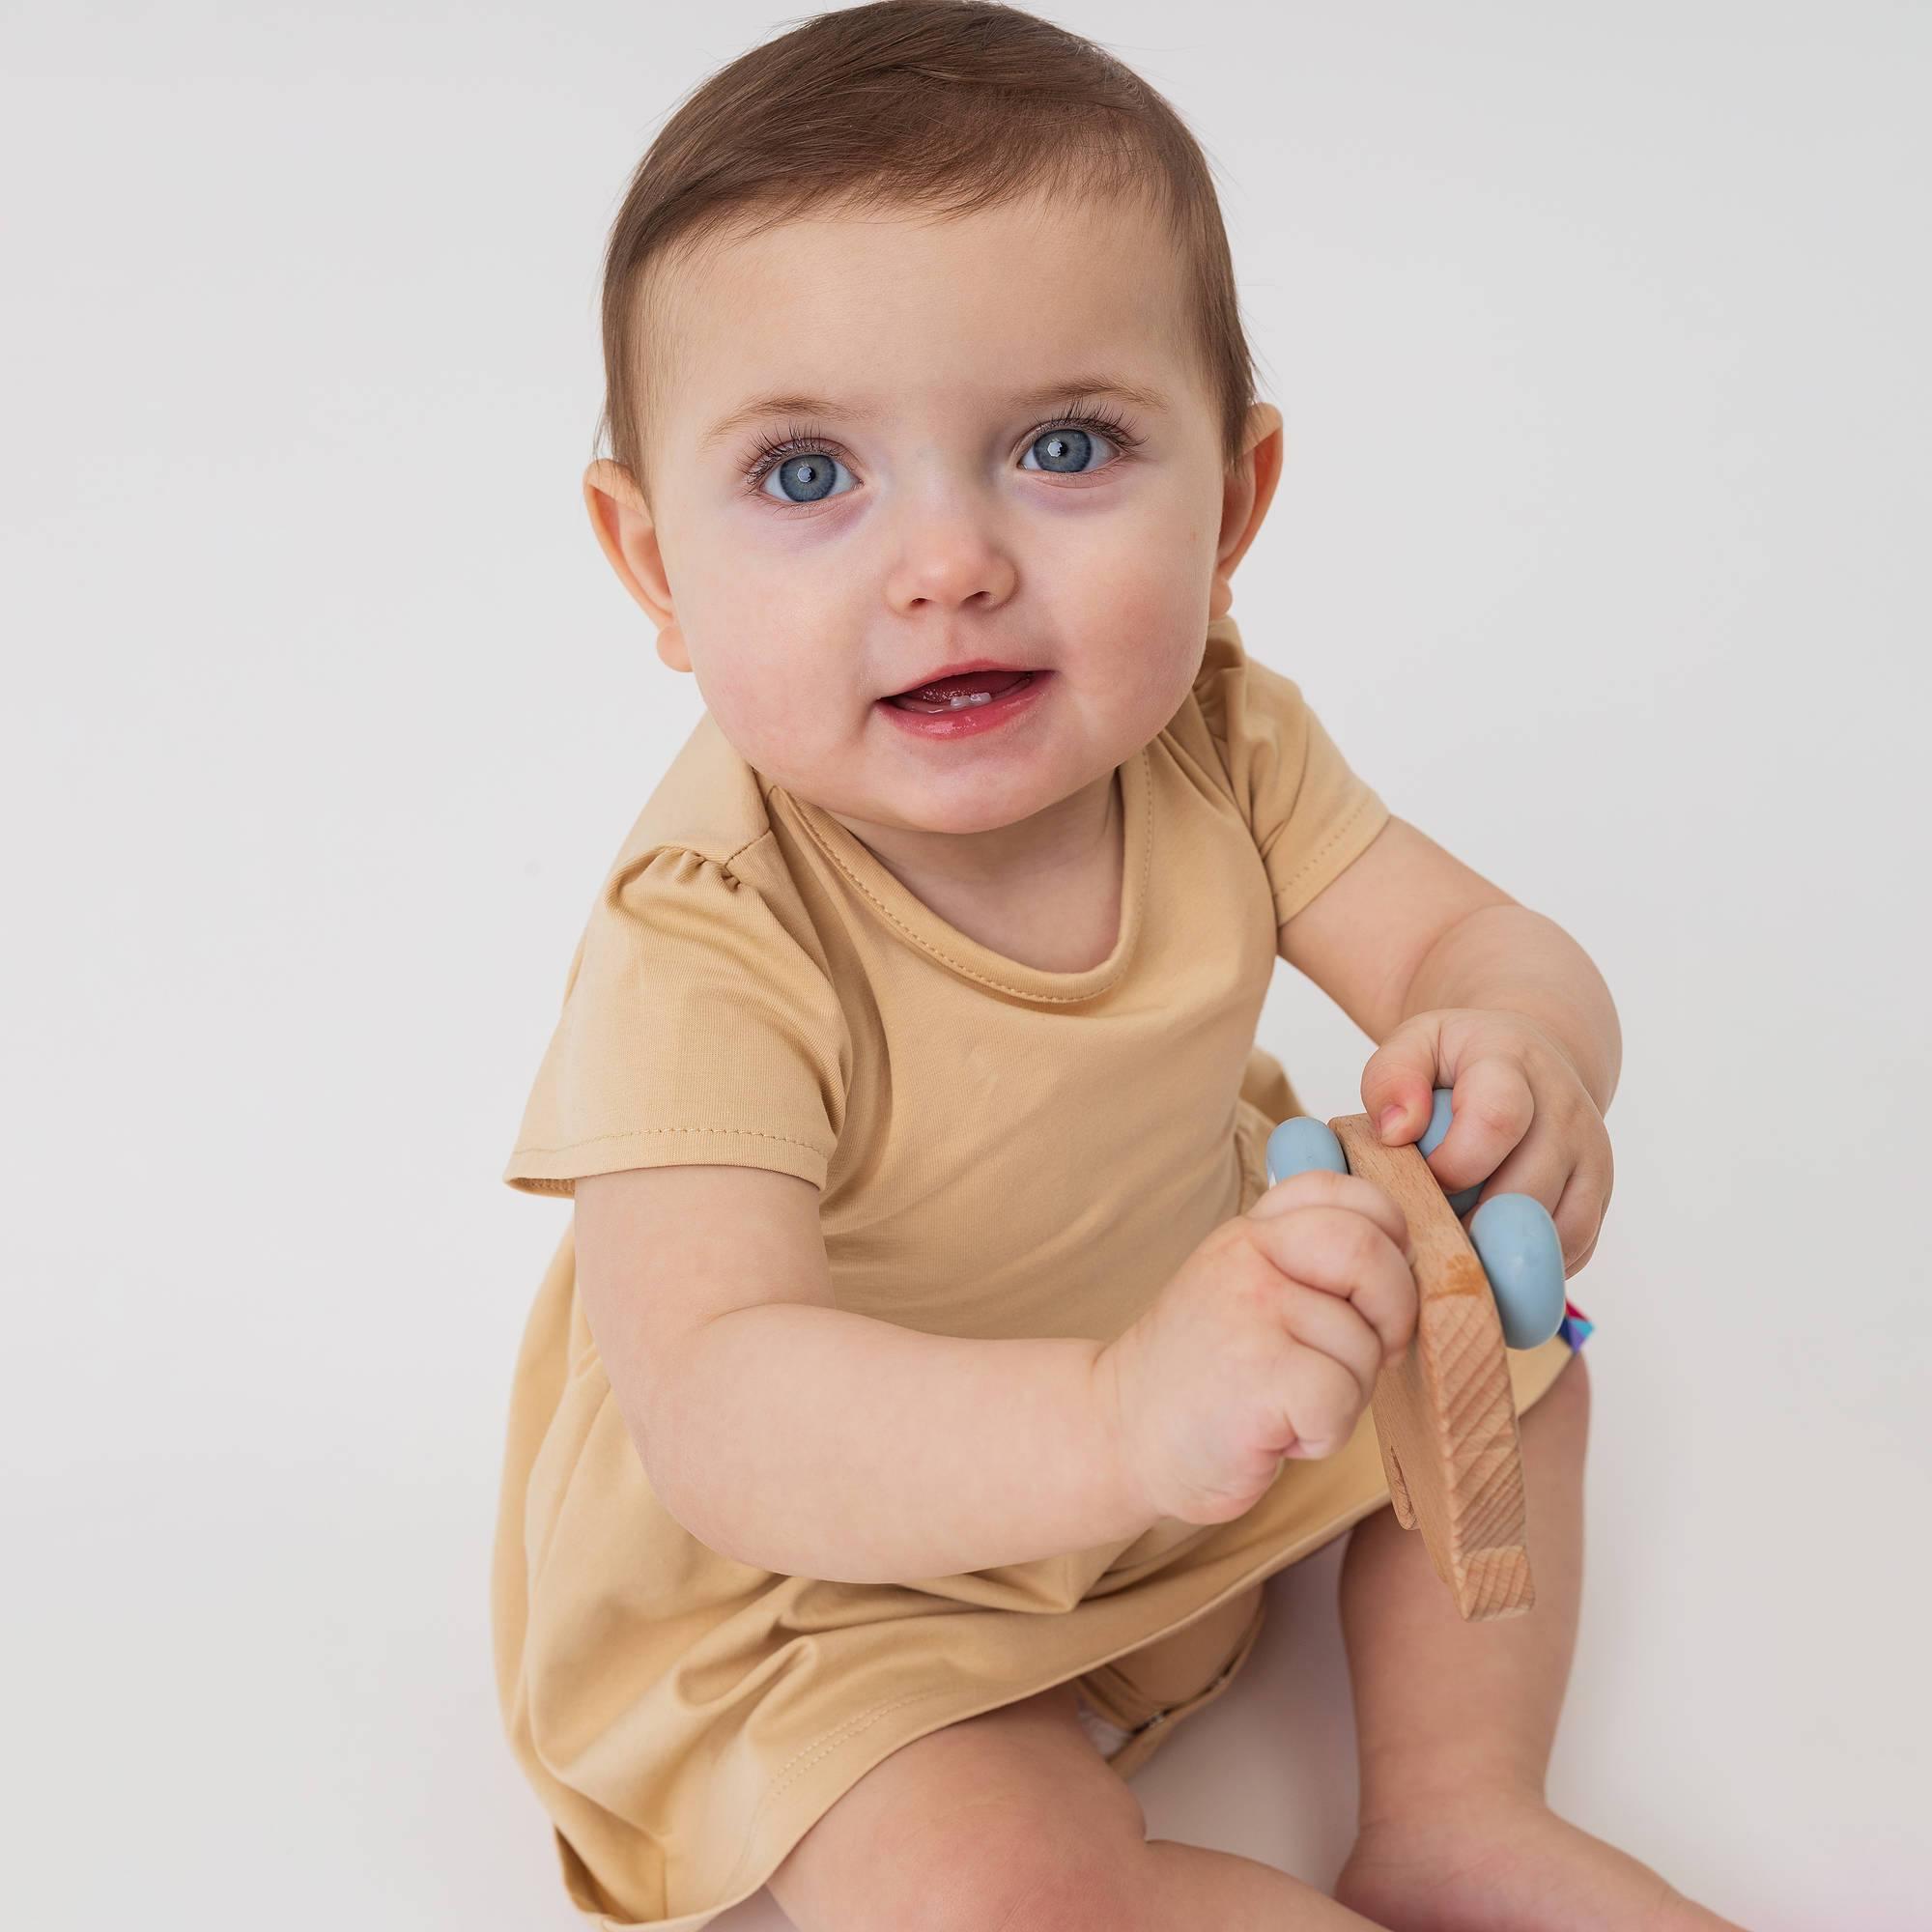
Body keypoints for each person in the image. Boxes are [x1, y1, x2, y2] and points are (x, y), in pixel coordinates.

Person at [491, 5, 1743, 1927]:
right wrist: (1110, 1421)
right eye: (809, 476)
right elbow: (728, 1414)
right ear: (649, 562)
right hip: (836, 1580)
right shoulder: (707, 934)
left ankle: (1457, 1803)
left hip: (1197, 1393)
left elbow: (1467, 937)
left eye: (1060, 448)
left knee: (1503, 1352)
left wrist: (1516, 1040)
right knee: (982, 1879)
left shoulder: (1216, 742)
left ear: (1232, 507)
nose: (947, 564)